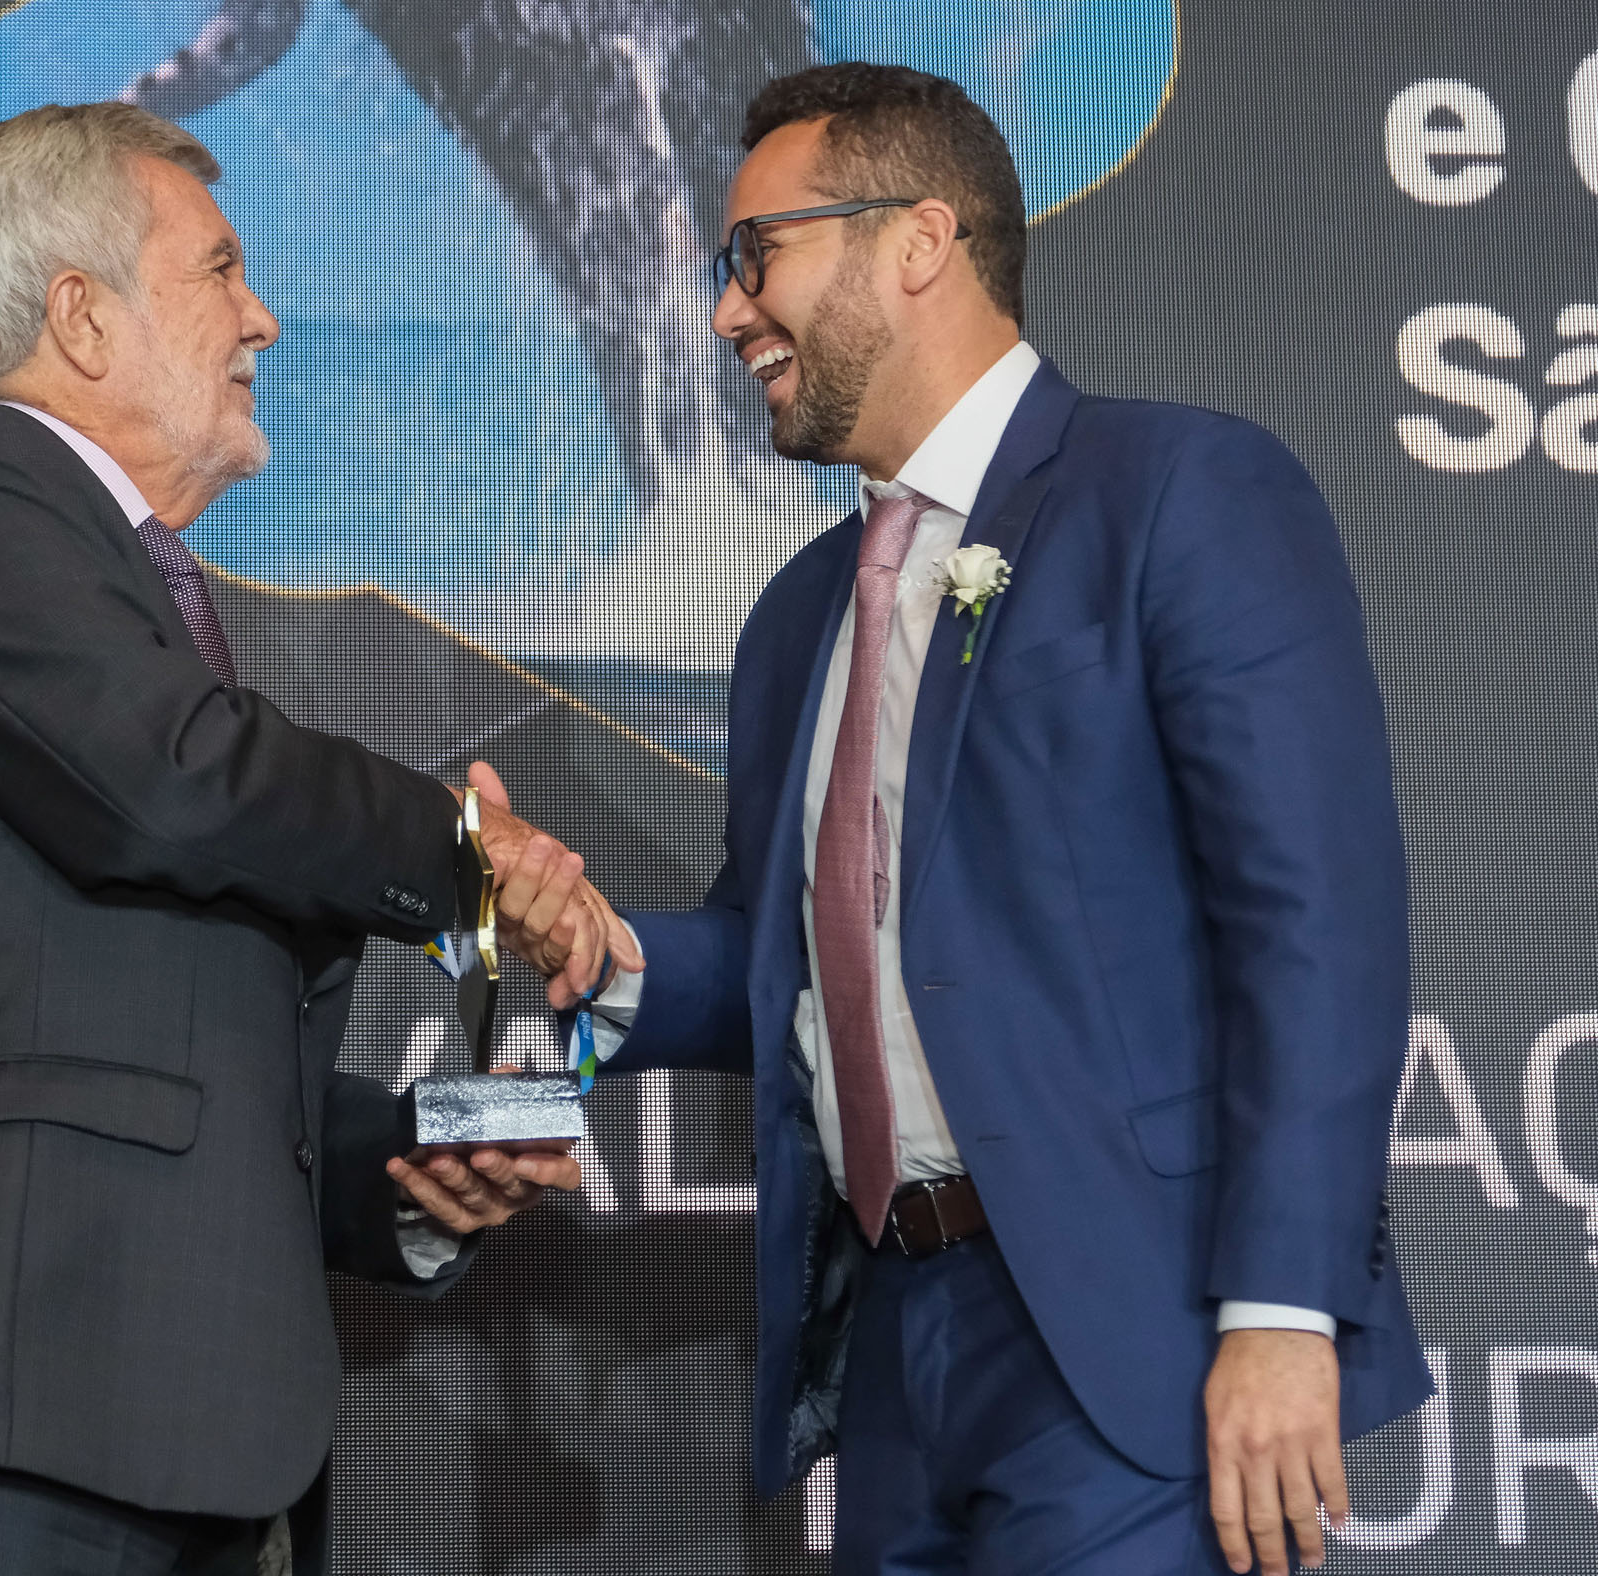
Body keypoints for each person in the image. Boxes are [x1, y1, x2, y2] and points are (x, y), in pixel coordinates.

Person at [515, 63, 1433, 1576]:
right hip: (895, 1350)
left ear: (918, 240)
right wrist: (587, 943)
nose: (728, 311)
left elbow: (1315, 922)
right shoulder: (794, 620)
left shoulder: (1180, 491)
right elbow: (785, 965)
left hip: (1140, 1345)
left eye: (756, 254)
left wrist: (1282, 1312)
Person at [0, 101, 637, 1576]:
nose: (262, 317)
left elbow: (159, 1050)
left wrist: (415, 1165)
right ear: (81, 317)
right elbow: (176, 786)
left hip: (171, 1424)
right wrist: (469, 855)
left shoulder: (123, 606)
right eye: (220, 268)